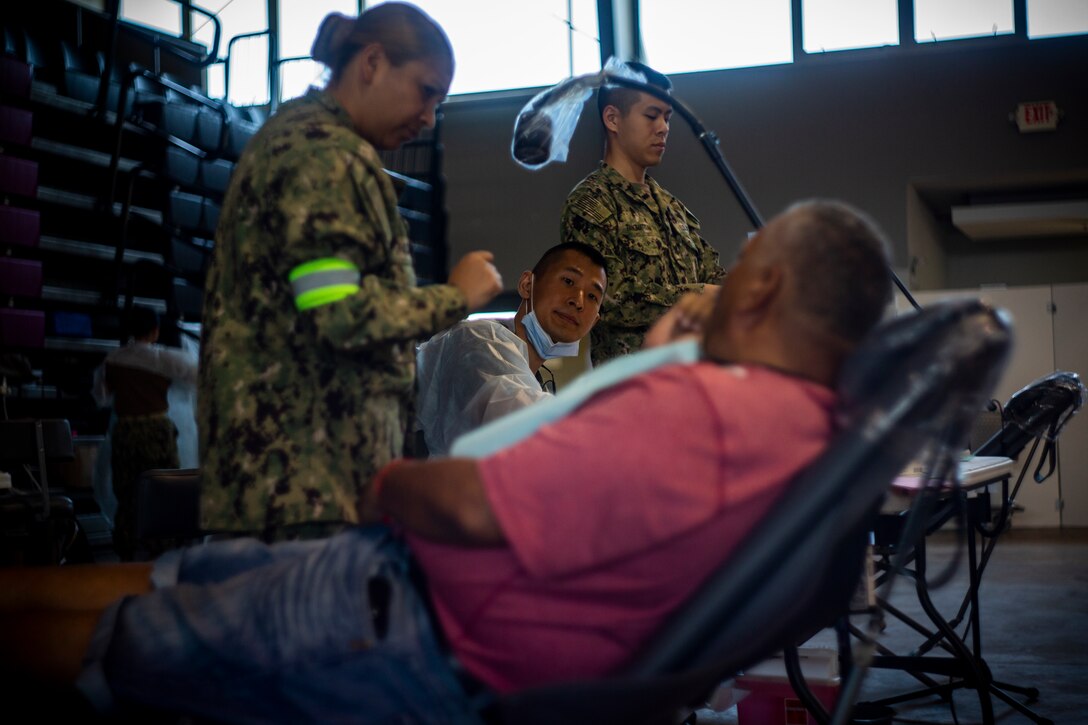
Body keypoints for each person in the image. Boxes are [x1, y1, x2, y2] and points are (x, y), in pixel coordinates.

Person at [0, 200, 893, 723]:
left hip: (413, 610)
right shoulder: (819, 442)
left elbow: (469, 499)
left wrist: (383, 488)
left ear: (767, 290)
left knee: (126, 642)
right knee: (178, 576)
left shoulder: (701, 408)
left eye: (740, 265)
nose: (712, 279)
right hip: (421, 588)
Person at [197, 4, 503, 542]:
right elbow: (336, 311)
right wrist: (453, 297)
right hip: (304, 481)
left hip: (302, 476)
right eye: (426, 91)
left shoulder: (302, 139)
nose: (430, 116)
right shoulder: (324, 157)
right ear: (373, 63)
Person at [561, 61, 725, 366]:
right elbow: (606, 298)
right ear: (612, 119)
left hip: (691, 377)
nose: (663, 127)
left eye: (667, 117)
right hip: (633, 388)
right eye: (651, 115)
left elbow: (713, 275)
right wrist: (699, 295)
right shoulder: (591, 203)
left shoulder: (672, 207)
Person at [415, 241, 607, 456]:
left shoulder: (539, 380)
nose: (578, 301)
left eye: (592, 296)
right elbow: (523, 416)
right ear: (527, 285)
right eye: (568, 281)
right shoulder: (478, 341)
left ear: (595, 321)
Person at [91, 306, 198, 561]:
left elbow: (102, 398)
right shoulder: (164, 359)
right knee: (166, 491)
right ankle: (164, 551)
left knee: (127, 493)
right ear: (154, 331)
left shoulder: (112, 359)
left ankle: (127, 552)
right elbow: (196, 377)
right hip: (156, 431)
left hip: (125, 432)